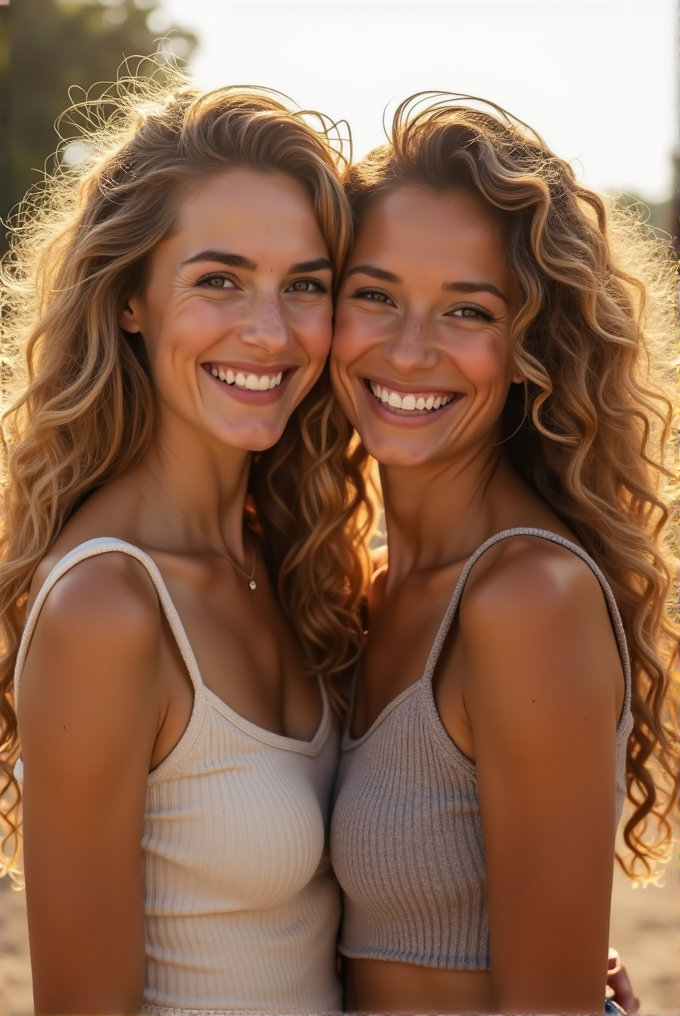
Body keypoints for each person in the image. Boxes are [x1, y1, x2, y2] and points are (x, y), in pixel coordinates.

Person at [0, 72, 372, 1015]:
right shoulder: (106, 608)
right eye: (219, 280)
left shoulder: (291, 559)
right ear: (132, 300)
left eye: (305, 287)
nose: (269, 330)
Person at [330, 94, 679, 1015]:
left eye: (468, 311)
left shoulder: (528, 598)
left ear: (531, 346)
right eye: (374, 295)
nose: (409, 352)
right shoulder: (368, 583)